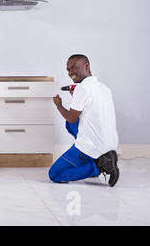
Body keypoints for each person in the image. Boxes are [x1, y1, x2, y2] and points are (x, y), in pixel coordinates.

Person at [49, 54, 120, 187]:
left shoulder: (82, 88)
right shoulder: (104, 88)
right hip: (110, 144)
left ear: (86, 65)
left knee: (55, 174)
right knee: (70, 125)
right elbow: (91, 113)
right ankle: (102, 158)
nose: (70, 73)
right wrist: (75, 97)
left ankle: (99, 166)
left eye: (74, 67)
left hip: (92, 147)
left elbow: (72, 117)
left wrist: (59, 105)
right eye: (68, 70)